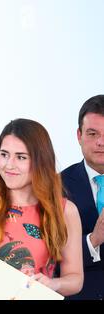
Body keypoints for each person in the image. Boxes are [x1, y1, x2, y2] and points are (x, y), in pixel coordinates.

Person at [0, 118, 83, 299]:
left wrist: (53, 284)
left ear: (40, 161)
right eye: (4, 154)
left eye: (21, 157)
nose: (9, 164)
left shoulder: (65, 211)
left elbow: (75, 279)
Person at [62, 95, 104, 299]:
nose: (101, 142)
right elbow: (49, 253)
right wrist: (93, 240)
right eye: (92, 133)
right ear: (79, 135)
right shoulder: (55, 187)